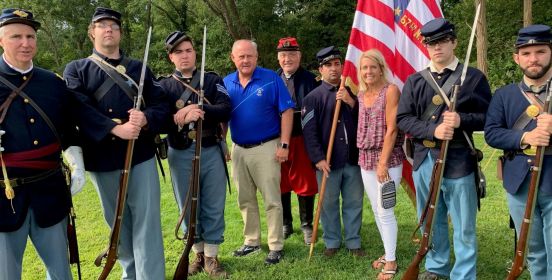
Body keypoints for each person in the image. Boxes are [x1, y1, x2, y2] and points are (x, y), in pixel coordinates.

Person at [63, 7, 168, 279]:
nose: (108, 29)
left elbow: (162, 105)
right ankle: (129, 273)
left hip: (141, 154)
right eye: (102, 25)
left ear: (120, 32)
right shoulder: (77, 69)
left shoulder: (138, 68)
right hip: (104, 156)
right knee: (117, 222)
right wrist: (114, 128)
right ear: (92, 33)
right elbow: (78, 108)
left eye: (113, 25)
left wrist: (145, 118)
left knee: (147, 222)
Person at [0, 8, 92, 279]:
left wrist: (77, 165)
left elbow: (68, 130)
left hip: (49, 190)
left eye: (30, 36)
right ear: (2, 40)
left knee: (61, 271)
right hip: (5, 197)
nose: (26, 43)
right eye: (16, 36)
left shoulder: (52, 82)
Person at [396, 18, 491, 280]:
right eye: (431, 43)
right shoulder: (415, 81)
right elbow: (403, 118)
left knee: (463, 224)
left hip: (459, 157)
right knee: (430, 219)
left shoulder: (473, 78)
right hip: (424, 158)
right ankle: (437, 266)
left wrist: (462, 120)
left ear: (454, 42)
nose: (436, 47)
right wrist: (432, 131)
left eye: (442, 41)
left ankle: (463, 272)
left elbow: (488, 117)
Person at [159, 31, 231, 277]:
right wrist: (176, 118)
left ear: (195, 53)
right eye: (178, 52)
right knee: (188, 205)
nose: (185, 55)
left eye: (188, 50)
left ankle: (211, 256)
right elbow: (157, 119)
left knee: (213, 203)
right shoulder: (164, 85)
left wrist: (197, 108)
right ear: (171, 57)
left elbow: (225, 109)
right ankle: (197, 252)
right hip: (179, 151)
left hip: (210, 147)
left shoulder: (211, 80)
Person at [484, 24, 552, 279]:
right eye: (526, 53)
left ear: (550, 53)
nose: (533, 59)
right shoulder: (504, 95)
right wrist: (525, 136)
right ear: (517, 58)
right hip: (518, 180)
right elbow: (491, 133)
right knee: (531, 249)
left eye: (540, 51)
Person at [223, 39, 294, 265]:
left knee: (272, 200)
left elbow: (287, 111)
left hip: (267, 148)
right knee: (245, 199)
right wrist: (222, 142)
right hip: (238, 150)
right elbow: (222, 116)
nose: (245, 60)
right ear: (233, 58)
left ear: (257, 57)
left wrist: (284, 144)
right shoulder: (226, 83)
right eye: (240, 56)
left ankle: (275, 245)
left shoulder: (271, 79)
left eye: (249, 56)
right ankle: (251, 241)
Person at [302, 46, 365, 258]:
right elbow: (309, 132)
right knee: (328, 203)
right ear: (320, 69)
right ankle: (332, 241)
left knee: (354, 201)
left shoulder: (354, 93)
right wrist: (318, 158)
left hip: (353, 159)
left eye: (337, 64)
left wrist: (350, 102)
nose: (334, 69)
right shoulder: (313, 97)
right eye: (328, 65)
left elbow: (366, 121)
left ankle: (353, 242)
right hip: (328, 161)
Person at [356, 49, 404, 279]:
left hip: (387, 158)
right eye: (364, 68)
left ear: (381, 68)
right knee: (376, 209)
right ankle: (388, 252)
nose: (368, 72)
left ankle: (392, 262)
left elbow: (392, 129)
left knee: (385, 210)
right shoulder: (360, 94)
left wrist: (383, 163)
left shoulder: (391, 91)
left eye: (372, 67)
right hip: (365, 157)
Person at [275, 37, 319, 244]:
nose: (287, 59)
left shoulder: (311, 80)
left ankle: (306, 224)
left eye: (292, 54)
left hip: (302, 138)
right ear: (278, 58)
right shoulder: (272, 80)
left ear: (299, 56)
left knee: (304, 182)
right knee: (281, 182)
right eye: (283, 55)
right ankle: (285, 223)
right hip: (276, 139)